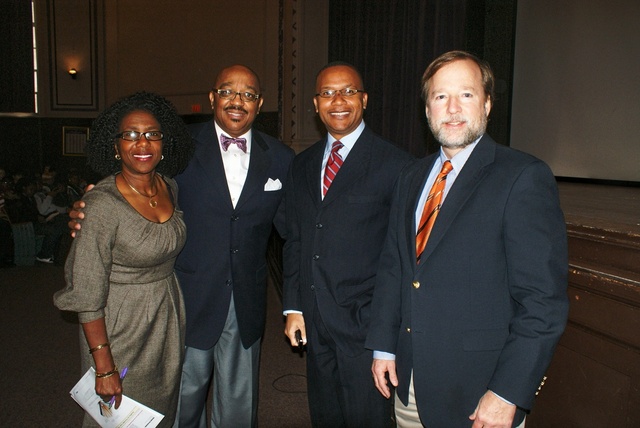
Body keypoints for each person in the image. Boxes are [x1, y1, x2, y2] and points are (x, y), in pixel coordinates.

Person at [70, 65, 294, 428]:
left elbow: (293, 231)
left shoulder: (282, 158)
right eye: (227, 92)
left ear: (259, 103)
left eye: (248, 94)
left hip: (247, 303)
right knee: (181, 404)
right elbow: (137, 187)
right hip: (186, 301)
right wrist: (87, 207)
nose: (237, 101)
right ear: (212, 97)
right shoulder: (177, 148)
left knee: (239, 406)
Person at [365, 50, 569, 427]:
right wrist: (383, 346)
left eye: (467, 95)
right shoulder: (411, 177)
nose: (453, 108)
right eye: (440, 97)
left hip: (480, 394)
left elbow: (543, 304)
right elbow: (395, 266)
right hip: (408, 384)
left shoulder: (523, 177)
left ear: (488, 104)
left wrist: (507, 392)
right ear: (427, 110)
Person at [282, 62, 414, 427]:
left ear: (364, 99)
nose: (337, 100)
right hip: (314, 321)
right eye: (327, 93)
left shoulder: (397, 165)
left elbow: (402, 257)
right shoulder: (303, 165)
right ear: (315, 103)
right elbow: (296, 238)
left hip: (365, 328)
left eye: (348, 91)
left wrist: (387, 332)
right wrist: (293, 306)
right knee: (325, 418)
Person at [54, 91, 194, 427]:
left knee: (160, 412)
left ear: (164, 144)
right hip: (120, 327)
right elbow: (86, 294)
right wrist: (104, 366)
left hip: (166, 319)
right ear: (115, 146)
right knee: (118, 416)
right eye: (130, 134)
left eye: (152, 134)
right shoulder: (101, 205)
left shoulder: (169, 187)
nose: (142, 143)